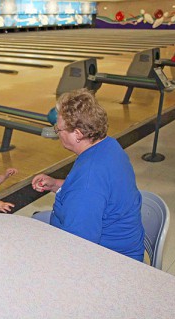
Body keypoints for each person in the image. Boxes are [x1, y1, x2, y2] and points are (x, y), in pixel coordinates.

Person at [31, 89, 145, 261]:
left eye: (58, 129)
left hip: (111, 261)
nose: (57, 132)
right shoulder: (108, 146)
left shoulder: (90, 176)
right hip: (121, 244)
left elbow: (78, 245)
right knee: (36, 221)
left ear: (77, 134)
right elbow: (96, 192)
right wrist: (56, 184)